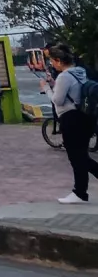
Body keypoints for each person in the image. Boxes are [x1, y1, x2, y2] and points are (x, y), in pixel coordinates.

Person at [47, 43, 98, 204]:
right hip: (85, 117)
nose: (51, 64)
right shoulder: (81, 72)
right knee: (81, 156)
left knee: (77, 157)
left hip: (71, 119)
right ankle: (80, 192)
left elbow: (58, 100)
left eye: (52, 61)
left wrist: (47, 89)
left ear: (58, 60)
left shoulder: (64, 77)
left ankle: (80, 193)